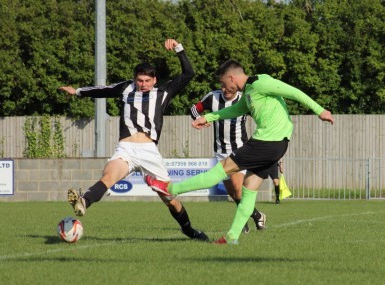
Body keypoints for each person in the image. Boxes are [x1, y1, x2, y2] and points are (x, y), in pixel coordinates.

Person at [146, 59, 334, 244]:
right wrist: (208, 117)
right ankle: (232, 237)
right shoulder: (250, 91)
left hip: (266, 142)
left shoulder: (262, 82)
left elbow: (293, 92)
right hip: (276, 145)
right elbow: (236, 110)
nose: (223, 87)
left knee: (220, 170)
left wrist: (320, 111)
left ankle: (171, 189)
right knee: (249, 190)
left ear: (231, 78)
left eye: (223, 83)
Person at [59, 39, 209, 242]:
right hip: (126, 148)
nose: (143, 85)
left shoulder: (163, 93)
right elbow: (102, 90)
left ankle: (189, 230)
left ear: (155, 80)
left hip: (149, 151)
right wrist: (77, 91)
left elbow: (188, 74)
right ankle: (83, 202)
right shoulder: (125, 89)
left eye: (147, 81)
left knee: (169, 199)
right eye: (140, 80)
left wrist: (179, 49)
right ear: (134, 79)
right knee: (108, 177)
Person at [190, 88, 266, 232]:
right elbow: (195, 108)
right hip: (220, 151)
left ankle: (242, 222)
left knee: (237, 187)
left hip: (239, 149)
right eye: (223, 86)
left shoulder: (245, 99)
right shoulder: (213, 97)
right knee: (232, 191)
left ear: (236, 85)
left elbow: (260, 115)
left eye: (229, 87)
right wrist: (198, 119)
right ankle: (257, 215)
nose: (226, 90)